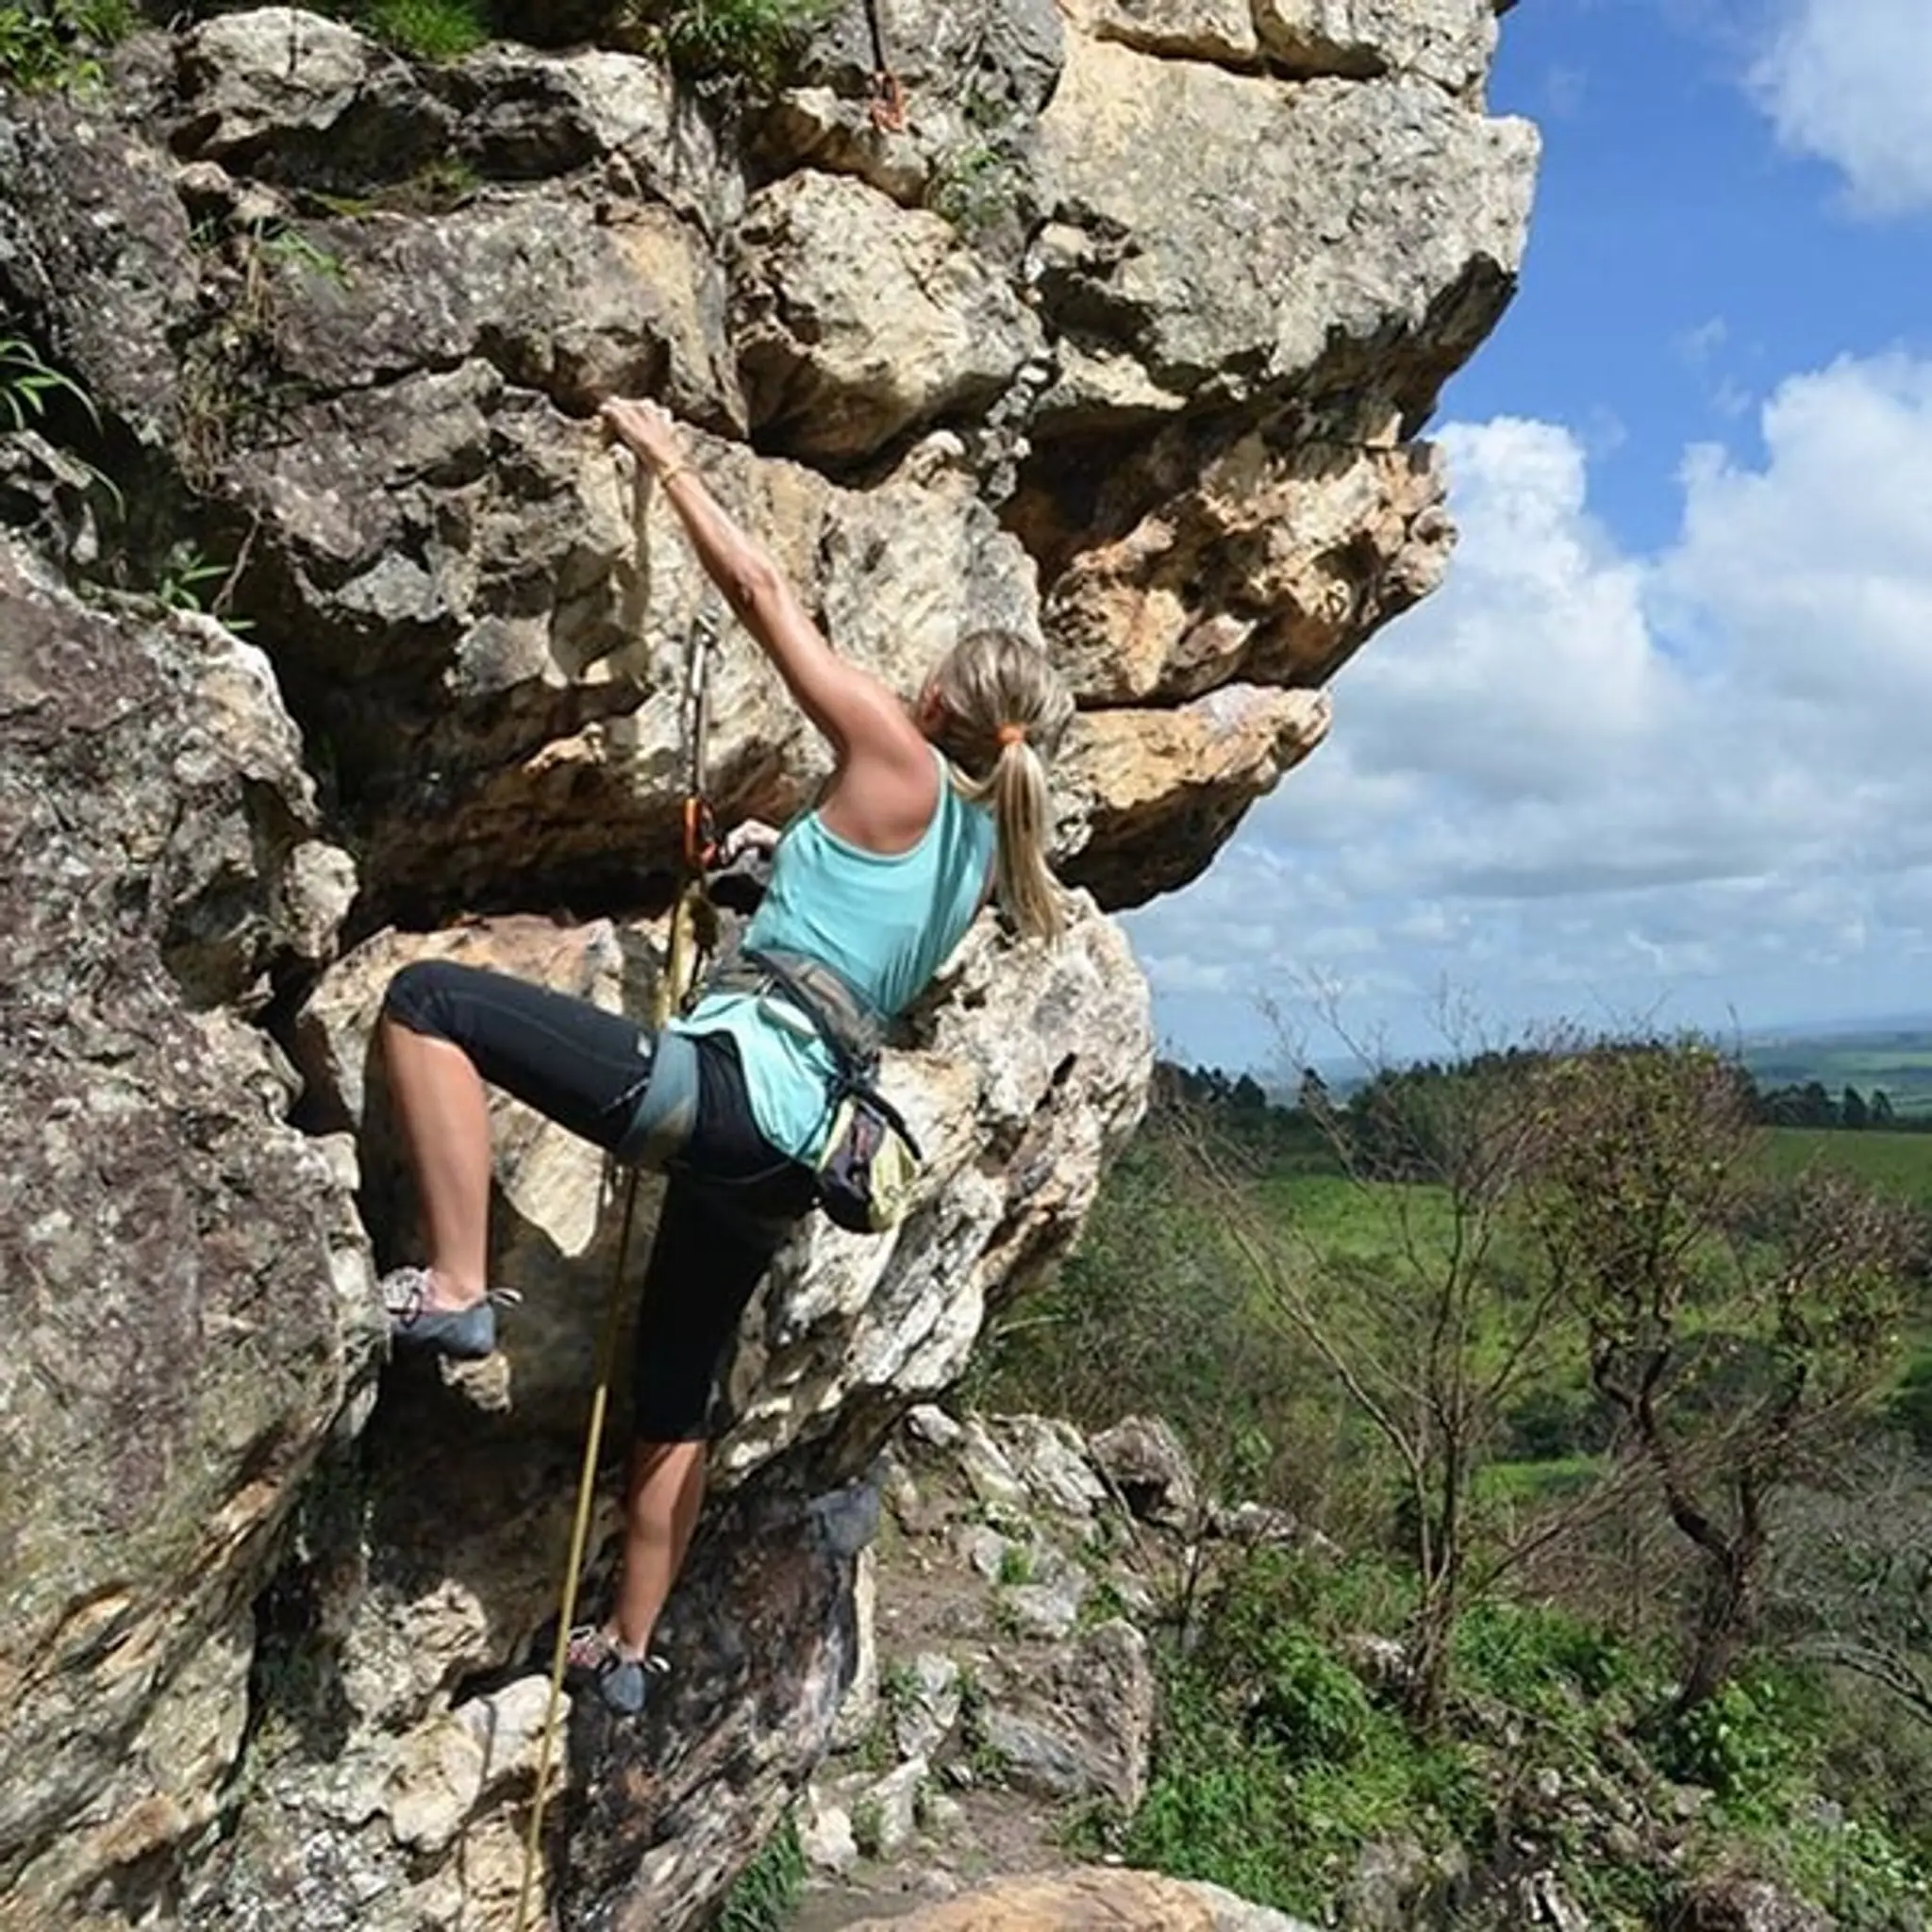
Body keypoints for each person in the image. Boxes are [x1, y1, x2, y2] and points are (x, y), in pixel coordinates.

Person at [375, 395, 1076, 1713]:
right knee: (675, 1399)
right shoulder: (979, 859)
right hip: (790, 1157)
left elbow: (760, 594)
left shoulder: (893, 749)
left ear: (940, 698)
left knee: (429, 1003)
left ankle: (457, 1285)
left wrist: (667, 458)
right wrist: (754, 881)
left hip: (733, 1095)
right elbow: (843, 949)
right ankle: (629, 1654)